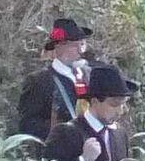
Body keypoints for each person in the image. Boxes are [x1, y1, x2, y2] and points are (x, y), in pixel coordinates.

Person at [16, 16, 92, 144]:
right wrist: (61, 132)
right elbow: (27, 124)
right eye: (75, 46)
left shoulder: (89, 76)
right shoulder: (39, 81)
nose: (80, 51)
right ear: (59, 47)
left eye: (82, 45)